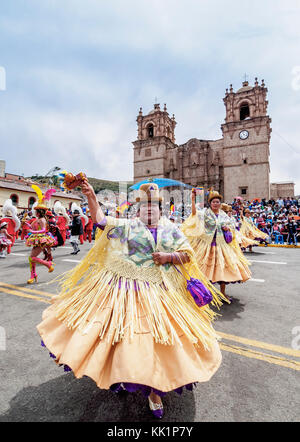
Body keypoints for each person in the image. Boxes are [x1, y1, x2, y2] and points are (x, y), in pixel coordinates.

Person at [37, 180, 227, 419]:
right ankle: (122, 375)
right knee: (127, 342)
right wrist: (92, 196)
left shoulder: (172, 229)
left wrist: (168, 256)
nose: (149, 210)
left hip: (163, 294)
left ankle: (155, 392)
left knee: (161, 345)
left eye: (154, 206)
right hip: (126, 292)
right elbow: (101, 221)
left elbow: (187, 255)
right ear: (138, 210)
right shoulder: (127, 227)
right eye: (144, 206)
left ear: (161, 210)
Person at [181, 190, 251, 301]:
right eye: (213, 202)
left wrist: (228, 228)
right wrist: (193, 200)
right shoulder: (204, 213)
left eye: (217, 202)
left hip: (222, 246)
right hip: (207, 246)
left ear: (220, 203)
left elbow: (232, 225)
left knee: (222, 270)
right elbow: (194, 214)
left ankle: (222, 293)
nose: (215, 204)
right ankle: (203, 293)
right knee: (203, 270)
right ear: (210, 203)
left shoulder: (223, 215)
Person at [25, 186, 57, 283]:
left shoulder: (42, 219)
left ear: (39, 212)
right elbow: (31, 227)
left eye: (36, 211)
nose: (35, 212)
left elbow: (43, 230)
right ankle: (33, 275)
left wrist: (33, 232)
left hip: (41, 240)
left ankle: (48, 264)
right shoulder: (37, 219)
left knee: (32, 257)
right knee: (31, 258)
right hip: (36, 239)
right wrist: (26, 225)